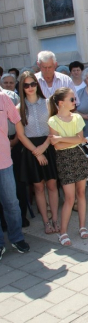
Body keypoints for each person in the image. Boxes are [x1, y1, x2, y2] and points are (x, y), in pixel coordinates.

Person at [48, 88, 88, 246]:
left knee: (81, 193)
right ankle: (63, 233)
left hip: (78, 156)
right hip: (64, 159)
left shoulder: (77, 118)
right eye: (72, 99)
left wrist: (61, 138)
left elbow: (80, 139)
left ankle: (82, 226)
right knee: (69, 197)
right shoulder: (53, 120)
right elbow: (57, 146)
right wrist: (74, 139)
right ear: (61, 103)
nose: (75, 102)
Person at [16, 72, 59, 234]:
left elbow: (53, 127)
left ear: (37, 84)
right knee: (39, 187)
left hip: (48, 145)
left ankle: (55, 219)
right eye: (26, 85)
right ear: (22, 87)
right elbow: (20, 135)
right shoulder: (19, 108)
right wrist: (37, 152)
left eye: (32, 84)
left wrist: (44, 146)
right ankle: (46, 222)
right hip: (31, 149)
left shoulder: (48, 103)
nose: (30, 88)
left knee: (52, 185)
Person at [0, 88, 30, 259]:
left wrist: (17, 140)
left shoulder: (3, 97)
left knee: (11, 203)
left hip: (4, 161)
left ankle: (17, 238)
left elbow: (17, 120)